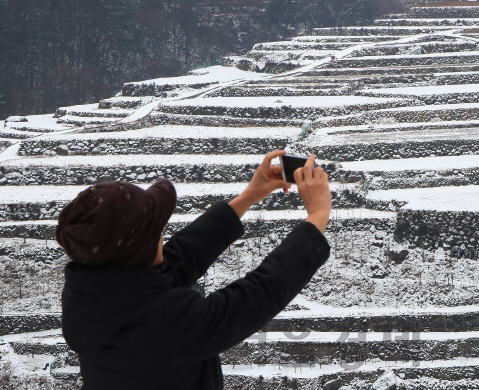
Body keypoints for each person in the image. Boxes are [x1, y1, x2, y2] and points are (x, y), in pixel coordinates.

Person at [56, 150, 332, 390]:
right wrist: (316, 218)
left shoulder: (90, 295)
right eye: (157, 232)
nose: (163, 237)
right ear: (139, 250)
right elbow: (257, 294)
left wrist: (249, 196)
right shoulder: (167, 324)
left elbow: (178, 258)